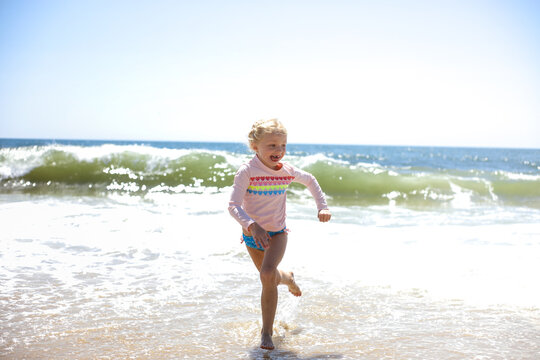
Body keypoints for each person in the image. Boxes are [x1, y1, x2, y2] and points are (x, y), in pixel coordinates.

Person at [228, 119, 332, 350]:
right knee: (271, 278)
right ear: (255, 146)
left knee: (266, 275)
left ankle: (266, 333)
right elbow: (233, 205)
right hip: (252, 233)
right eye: (272, 145)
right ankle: (288, 278)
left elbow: (311, 180)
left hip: (277, 233)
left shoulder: (286, 171)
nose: (279, 151)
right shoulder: (247, 172)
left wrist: (322, 206)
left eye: (283, 145)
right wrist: (252, 226)